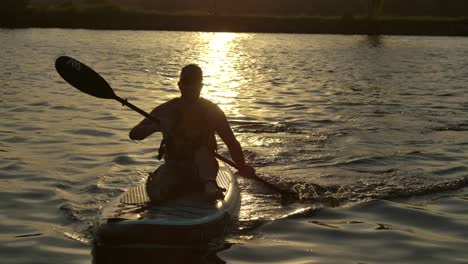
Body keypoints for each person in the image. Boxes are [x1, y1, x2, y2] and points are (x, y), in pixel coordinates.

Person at [129, 64, 255, 202]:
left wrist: (242, 167)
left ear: (201, 85)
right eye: (186, 82)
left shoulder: (213, 111)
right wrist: (154, 126)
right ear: (179, 85)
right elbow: (134, 134)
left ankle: (209, 187)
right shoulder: (165, 110)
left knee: (202, 152)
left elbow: (231, 142)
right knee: (160, 190)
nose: (190, 87)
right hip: (175, 167)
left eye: (194, 82)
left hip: (204, 170)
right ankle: (168, 189)